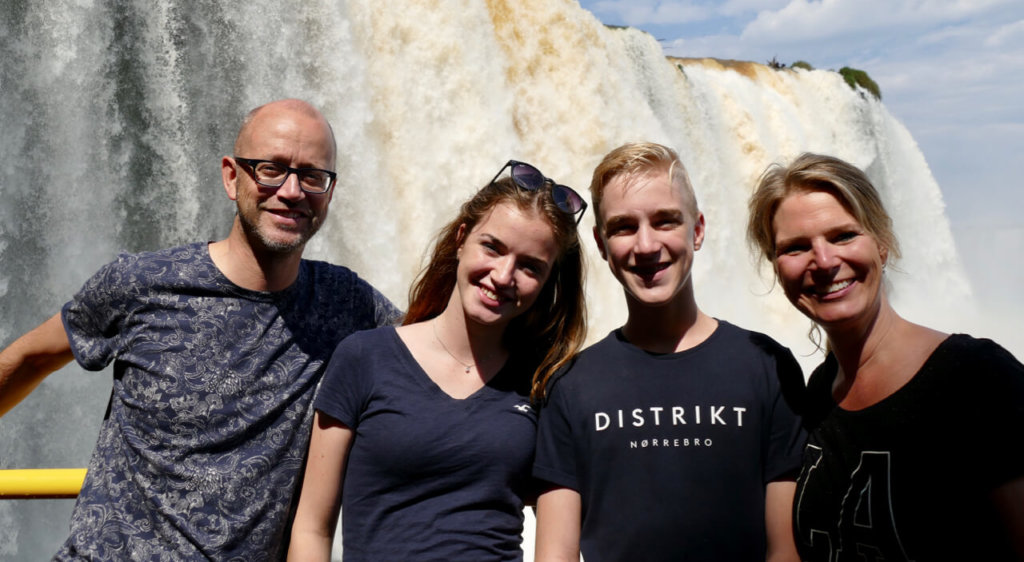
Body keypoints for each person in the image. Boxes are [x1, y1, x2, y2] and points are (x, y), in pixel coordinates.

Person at [0, 99, 399, 560]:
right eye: (270, 169)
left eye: (312, 176)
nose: (291, 191)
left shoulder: (347, 304)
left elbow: (439, 348)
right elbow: (30, 358)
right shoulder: (141, 283)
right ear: (232, 176)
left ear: (329, 193)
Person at [287, 160, 588, 561]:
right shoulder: (364, 358)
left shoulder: (544, 385)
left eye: (530, 267)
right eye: (492, 247)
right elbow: (312, 529)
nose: (502, 275)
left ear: (548, 282)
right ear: (462, 238)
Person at [534, 142, 806, 562]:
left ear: (697, 231)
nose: (645, 245)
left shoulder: (767, 366)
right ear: (601, 244)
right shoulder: (570, 387)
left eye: (665, 221)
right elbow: (555, 555)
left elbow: (786, 551)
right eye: (624, 227)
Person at [747, 152, 1024, 561]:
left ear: (883, 242)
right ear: (776, 267)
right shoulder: (818, 393)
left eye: (843, 236)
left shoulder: (977, 377)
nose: (824, 262)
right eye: (796, 247)